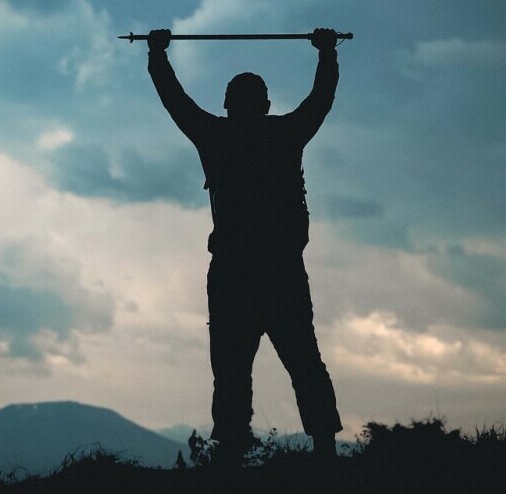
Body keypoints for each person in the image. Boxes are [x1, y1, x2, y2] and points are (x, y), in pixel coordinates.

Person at [146, 28, 343, 465]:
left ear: (228, 106)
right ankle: (324, 454)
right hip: (280, 271)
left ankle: (232, 456)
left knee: (234, 372)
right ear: (265, 106)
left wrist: (157, 56)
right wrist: (327, 53)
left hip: (236, 273)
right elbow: (321, 99)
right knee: (303, 362)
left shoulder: (215, 136)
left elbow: (174, 101)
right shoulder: (287, 134)